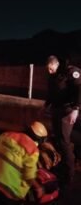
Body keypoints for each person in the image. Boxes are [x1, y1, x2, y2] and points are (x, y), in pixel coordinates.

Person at [0, 121, 48, 204]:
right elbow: (29, 174)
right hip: (7, 188)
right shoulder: (33, 151)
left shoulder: (8, 134)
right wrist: (38, 187)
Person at [43, 55, 81, 187]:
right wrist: (45, 105)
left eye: (51, 68)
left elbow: (78, 90)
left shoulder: (71, 72)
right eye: (47, 69)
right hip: (56, 110)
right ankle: (61, 165)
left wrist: (76, 109)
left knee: (64, 142)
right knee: (58, 139)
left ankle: (69, 174)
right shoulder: (53, 77)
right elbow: (51, 93)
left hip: (67, 111)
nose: (49, 71)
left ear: (57, 64)